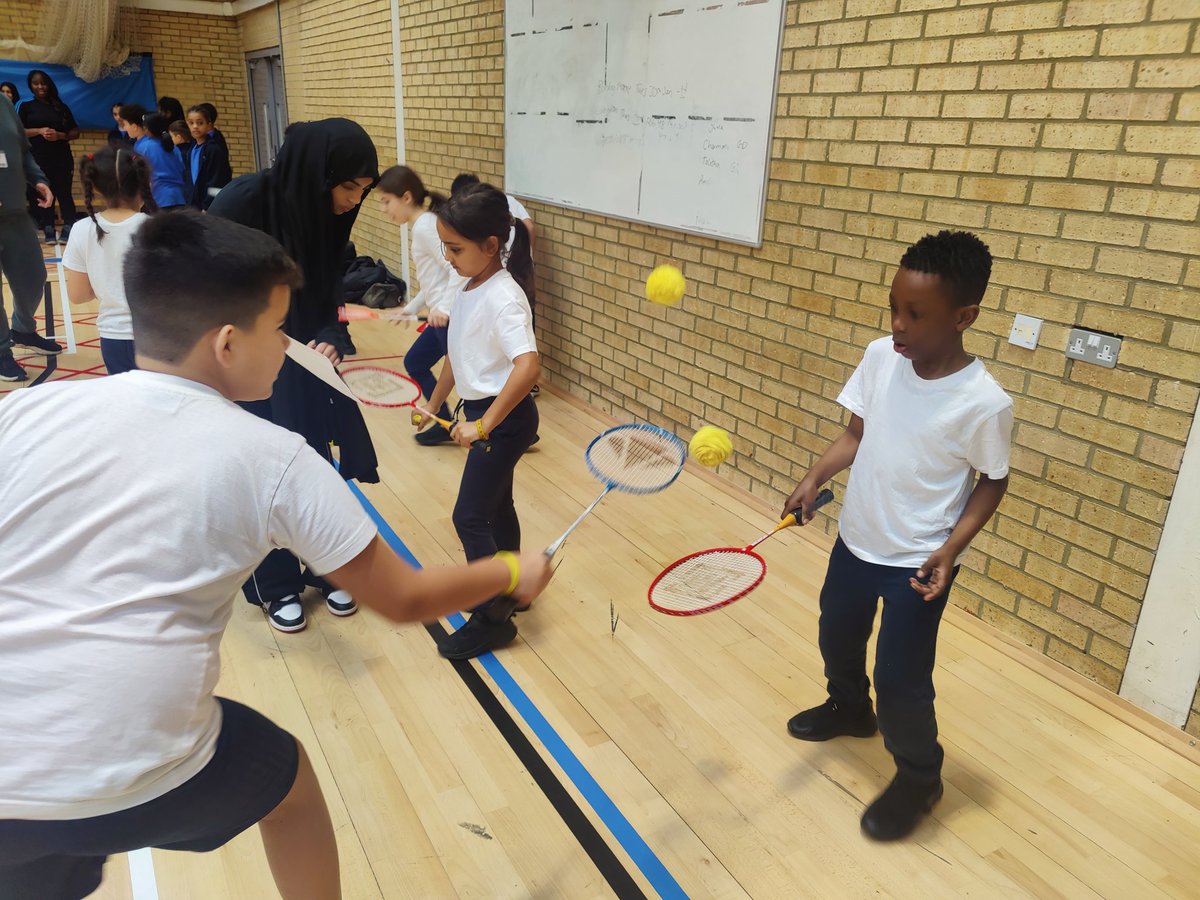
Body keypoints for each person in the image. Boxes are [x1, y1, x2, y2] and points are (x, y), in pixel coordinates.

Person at [0, 210, 554, 900]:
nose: (288, 345)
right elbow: (405, 599)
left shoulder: (26, 411)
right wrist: (510, 569)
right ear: (228, 343)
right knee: (288, 785)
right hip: (144, 764)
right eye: (279, 328)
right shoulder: (275, 458)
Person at [783, 230, 1012, 842]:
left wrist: (951, 548)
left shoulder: (983, 402)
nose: (898, 325)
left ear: (965, 317)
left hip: (920, 561)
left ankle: (919, 776)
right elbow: (856, 434)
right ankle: (848, 708)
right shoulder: (882, 357)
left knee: (901, 680)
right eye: (894, 307)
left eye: (916, 314)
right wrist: (814, 476)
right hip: (857, 540)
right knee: (837, 634)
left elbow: (992, 483)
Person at [209, 118, 381, 633]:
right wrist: (254, 334)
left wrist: (331, 332)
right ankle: (275, 582)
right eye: (350, 186)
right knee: (260, 476)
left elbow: (328, 292)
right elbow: (202, 281)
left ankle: (326, 567)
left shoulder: (330, 217)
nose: (354, 200)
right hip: (243, 366)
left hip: (302, 366)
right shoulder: (243, 201)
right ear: (319, 172)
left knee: (312, 469)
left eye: (363, 191)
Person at [414, 181, 540, 660]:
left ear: (491, 246)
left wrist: (484, 425)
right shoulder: (469, 285)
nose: (448, 257)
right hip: (484, 413)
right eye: (445, 246)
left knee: (469, 516)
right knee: (498, 505)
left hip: (504, 419)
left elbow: (528, 366)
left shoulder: (504, 297)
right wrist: (435, 405)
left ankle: (491, 618)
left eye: (455, 248)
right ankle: (510, 590)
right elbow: (456, 354)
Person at [376, 165, 464, 445]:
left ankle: (507, 426)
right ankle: (445, 422)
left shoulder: (427, 226)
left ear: (406, 197)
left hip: (446, 317)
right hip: (440, 313)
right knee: (415, 362)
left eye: (386, 201)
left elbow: (454, 270)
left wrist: (445, 309)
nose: (384, 209)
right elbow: (433, 282)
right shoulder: (423, 225)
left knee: (469, 378)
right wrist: (410, 308)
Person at [63, 145, 157, 374]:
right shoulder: (159, 228)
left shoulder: (81, 229)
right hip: (160, 336)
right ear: (146, 182)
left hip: (113, 337)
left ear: (94, 187)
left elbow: (78, 295)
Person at [0, 92, 59, 381]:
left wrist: (38, 179)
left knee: (33, 277)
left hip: (13, 214)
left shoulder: (4, 103)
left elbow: (22, 151)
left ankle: (22, 329)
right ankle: (0, 352)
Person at [18, 69, 80, 243]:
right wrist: (39, 131)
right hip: (38, 158)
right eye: (36, 83)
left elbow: (75, 131)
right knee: (44, 193)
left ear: (49, 84)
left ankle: (68, 227)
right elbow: (17, 131)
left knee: (64, 192)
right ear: (30, 86)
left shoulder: (60, 106)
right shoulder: (25, 106)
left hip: (62, 158)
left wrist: (60, 135)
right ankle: (48, 228)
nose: (40, 87)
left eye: (43, 83)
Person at [120, 105, 187, 210]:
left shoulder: (143, 147)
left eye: (125, 124)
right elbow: (183, 170)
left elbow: (141, 176)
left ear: (134, 126)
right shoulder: (172, 145)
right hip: (179, 198)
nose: (124, 128)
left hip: (158, 200)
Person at [184, 103, 232, 210]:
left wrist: (207, 207)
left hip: (209, 207)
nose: (195, 126)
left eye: (200, 123)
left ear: (208, 125)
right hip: (194, 206)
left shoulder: (213, 149)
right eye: (191, 123)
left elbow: (216, 181)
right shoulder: (191, 149)